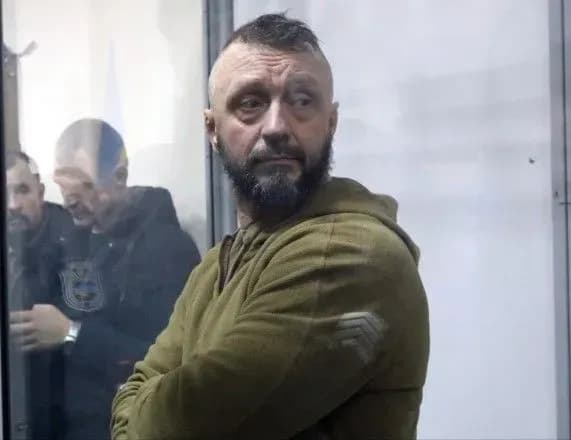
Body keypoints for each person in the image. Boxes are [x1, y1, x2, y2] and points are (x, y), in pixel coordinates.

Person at [112, 13, 429, 440]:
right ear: (212, 128)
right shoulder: (219, 262)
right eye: (250, 103)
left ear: (331, 123)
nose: (278, 127)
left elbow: (172, 428)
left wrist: (138, 409)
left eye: (302, 101)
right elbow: (138, 390)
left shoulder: (349, 255)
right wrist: (139, 407)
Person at [50, 118, 201, 440]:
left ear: (119, 177)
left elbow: (169, 358)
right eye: (63, 188)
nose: (69, 201)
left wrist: (71, 333)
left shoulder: (167, 249)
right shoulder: (76, 244)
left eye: (83, 186)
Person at [6, 151, 74, 440]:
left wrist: (69, 332)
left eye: (22, 190)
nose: (13, 205)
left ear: (41, 193)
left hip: (57, 413)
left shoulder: (73, 245)